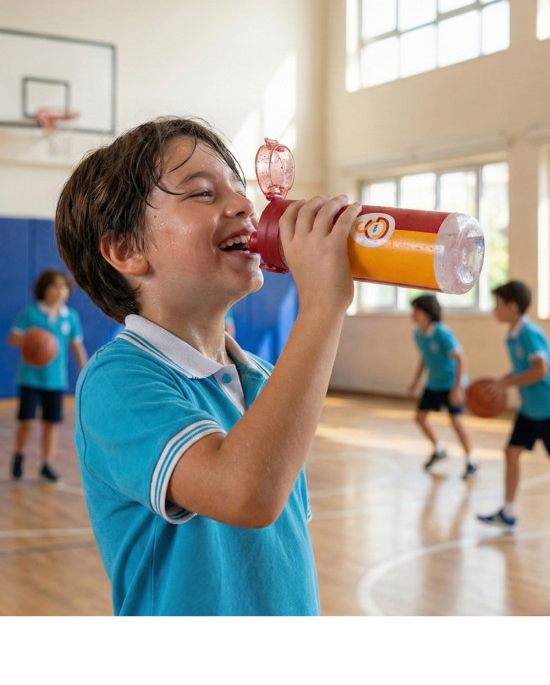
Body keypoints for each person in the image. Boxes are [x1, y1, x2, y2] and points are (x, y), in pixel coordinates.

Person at [54, 115, 361, 616]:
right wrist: (324, 307)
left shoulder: (262, 378)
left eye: (239, 188)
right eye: (202, 193)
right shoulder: (116, 381)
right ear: (126, 250)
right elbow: (245, 495)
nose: (243, 205)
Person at [477, 280, 550, 530]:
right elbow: (524, 368)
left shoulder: (529, 333)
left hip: (547, 409)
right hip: (530, 410)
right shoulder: (513, 334)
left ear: (512, 307)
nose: (493, 310)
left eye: (497, 305)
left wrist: (505, 386)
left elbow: (541, 370)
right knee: (511, 452)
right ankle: (507, 513)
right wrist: (502, 381)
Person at [7, 268, 88, 482]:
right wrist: (33, 340)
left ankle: (46, 465)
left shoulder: (70, 316)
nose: (60, 290)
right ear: (45, 288)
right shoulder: (31, 313)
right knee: (27, 421)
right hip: (30, 378)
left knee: (50, 424)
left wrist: (85, 369)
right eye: (56, 285)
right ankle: (19, 455)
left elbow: (76, 346)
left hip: (55, 380)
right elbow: (12, 339)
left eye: (64, 286)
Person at [407, 294, 477, 480]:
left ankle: (471, 461)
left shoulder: (442, 332)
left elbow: (461, 358)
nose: (412, 313)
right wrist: (416, 380)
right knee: (420, 418)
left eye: (416, 310)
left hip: (451, 383)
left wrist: (457, 388)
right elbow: (424, 357)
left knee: (456, 422)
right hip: (434, 383)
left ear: (428, 313)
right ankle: (439, 449)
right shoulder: (418, 334)